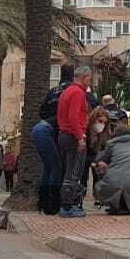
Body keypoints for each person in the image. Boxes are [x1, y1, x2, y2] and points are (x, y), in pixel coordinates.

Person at [56, 65, 94, 219]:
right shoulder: (78, 93)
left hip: (64, 135)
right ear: (84, 77)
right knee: (73, 173)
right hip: (73, 136)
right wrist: (80, 137)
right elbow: (73, 117)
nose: (90, 82)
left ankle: (67, 205)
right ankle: (67, 206)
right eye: (89, 78)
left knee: (68, 171)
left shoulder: (67, 91)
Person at [30, 117, 63, 215]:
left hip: (37, 130)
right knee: (56, 167)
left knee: (48, 167)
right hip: (44, 131)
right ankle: (53, 204)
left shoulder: (57, 117)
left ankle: (43, 202)